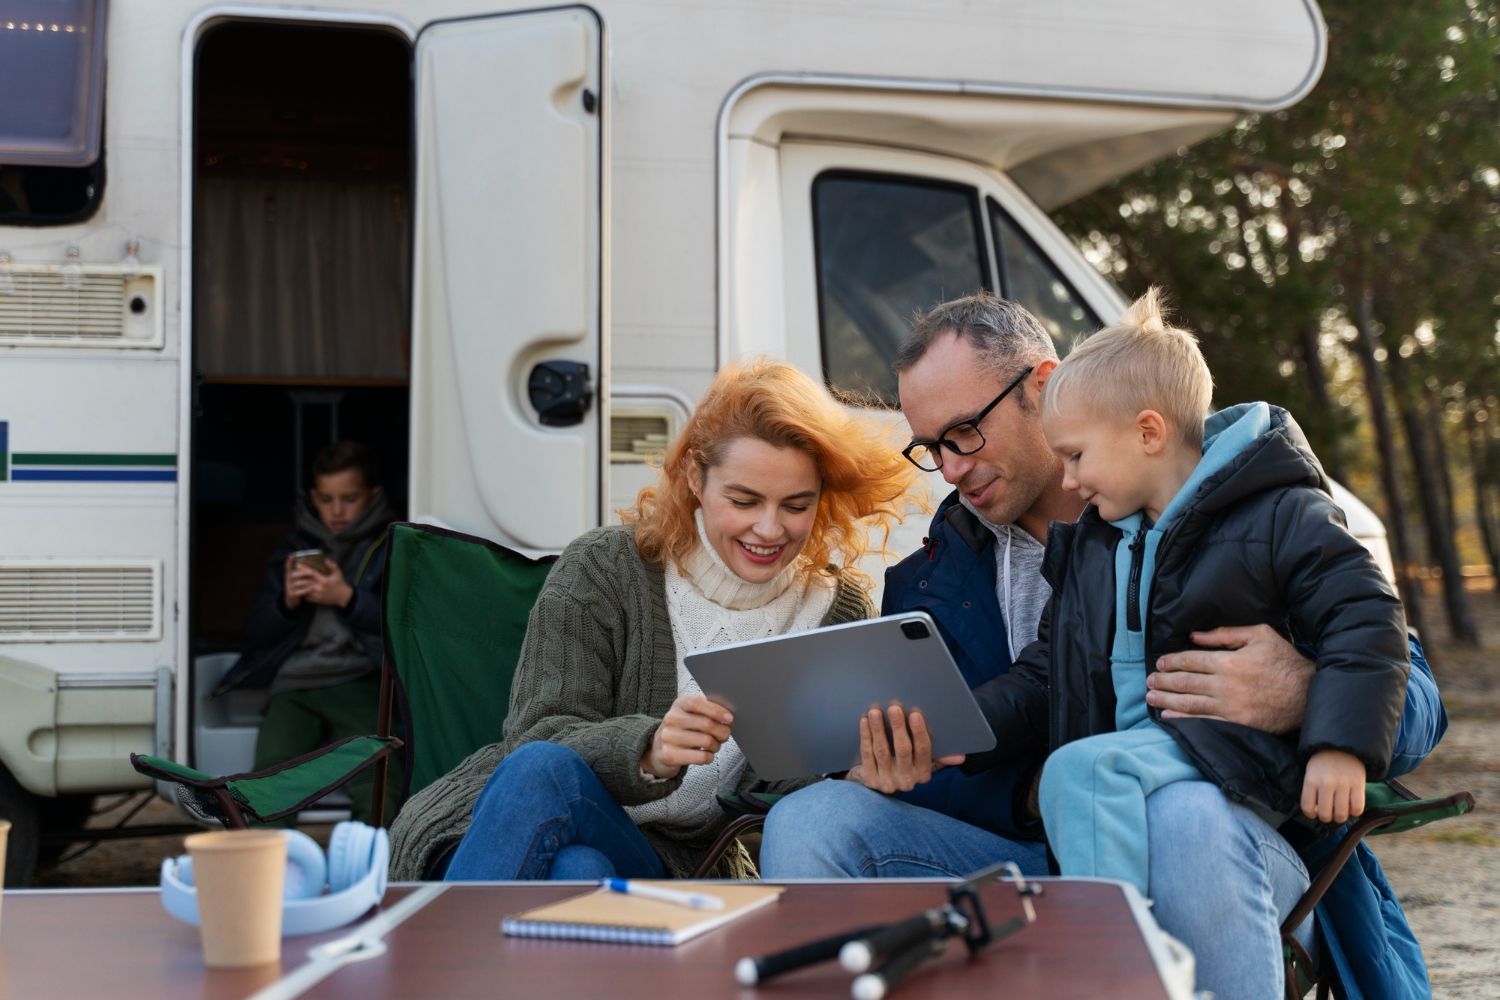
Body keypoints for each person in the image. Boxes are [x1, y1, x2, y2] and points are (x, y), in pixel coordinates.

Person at [759, 292, 1446, 999]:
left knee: (1180, 814)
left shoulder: (1242, 505)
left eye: (963, 432)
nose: (951, 468)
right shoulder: (931, 578)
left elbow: (1410, 688)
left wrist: (1303, 695)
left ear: (1042, 384)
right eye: (931, 447)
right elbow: (1020, 698)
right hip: (1027, 859)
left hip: (1222, 847)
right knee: (811, 819)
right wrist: (918, 757)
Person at [385, 359, 919, 882]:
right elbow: (536, 738)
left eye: (796, 505)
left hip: (662, 859)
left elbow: (796, 794)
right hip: (506, 822)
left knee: (586, 866)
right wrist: (651, 750)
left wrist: (855, 775)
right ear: (694, 476)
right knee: (564, 831)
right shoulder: (605, 567)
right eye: (744, 499)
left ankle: (442, 962)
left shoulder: (835, 610)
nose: (769, 528)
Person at [981, 288, 1409, 898]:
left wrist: (1340, 747)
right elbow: (1048, 666)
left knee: (1079, 773)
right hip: (1154, 759)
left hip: (1242, 761)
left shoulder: (1279, 512)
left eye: (1076, 456)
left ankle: (1118, 963)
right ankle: (1148, 946)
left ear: (1148, 432)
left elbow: (1365, 617)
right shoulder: (1101, 544)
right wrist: (966, 724)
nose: (1069, 481)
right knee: (1084, 774)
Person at [212, 440, 401, 824]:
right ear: (313, 497)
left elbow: (402, 628)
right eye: (326, 499)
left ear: (373, 495)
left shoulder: (392, 544)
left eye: (348, 499)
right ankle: (271, 879)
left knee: (378, 781)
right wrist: (287, 603)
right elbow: (257, 632)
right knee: (269, 781)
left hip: (361, 678)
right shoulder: (295, 546)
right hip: (296, 683)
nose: (335, 511)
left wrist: (347, 599)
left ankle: (377, 874)